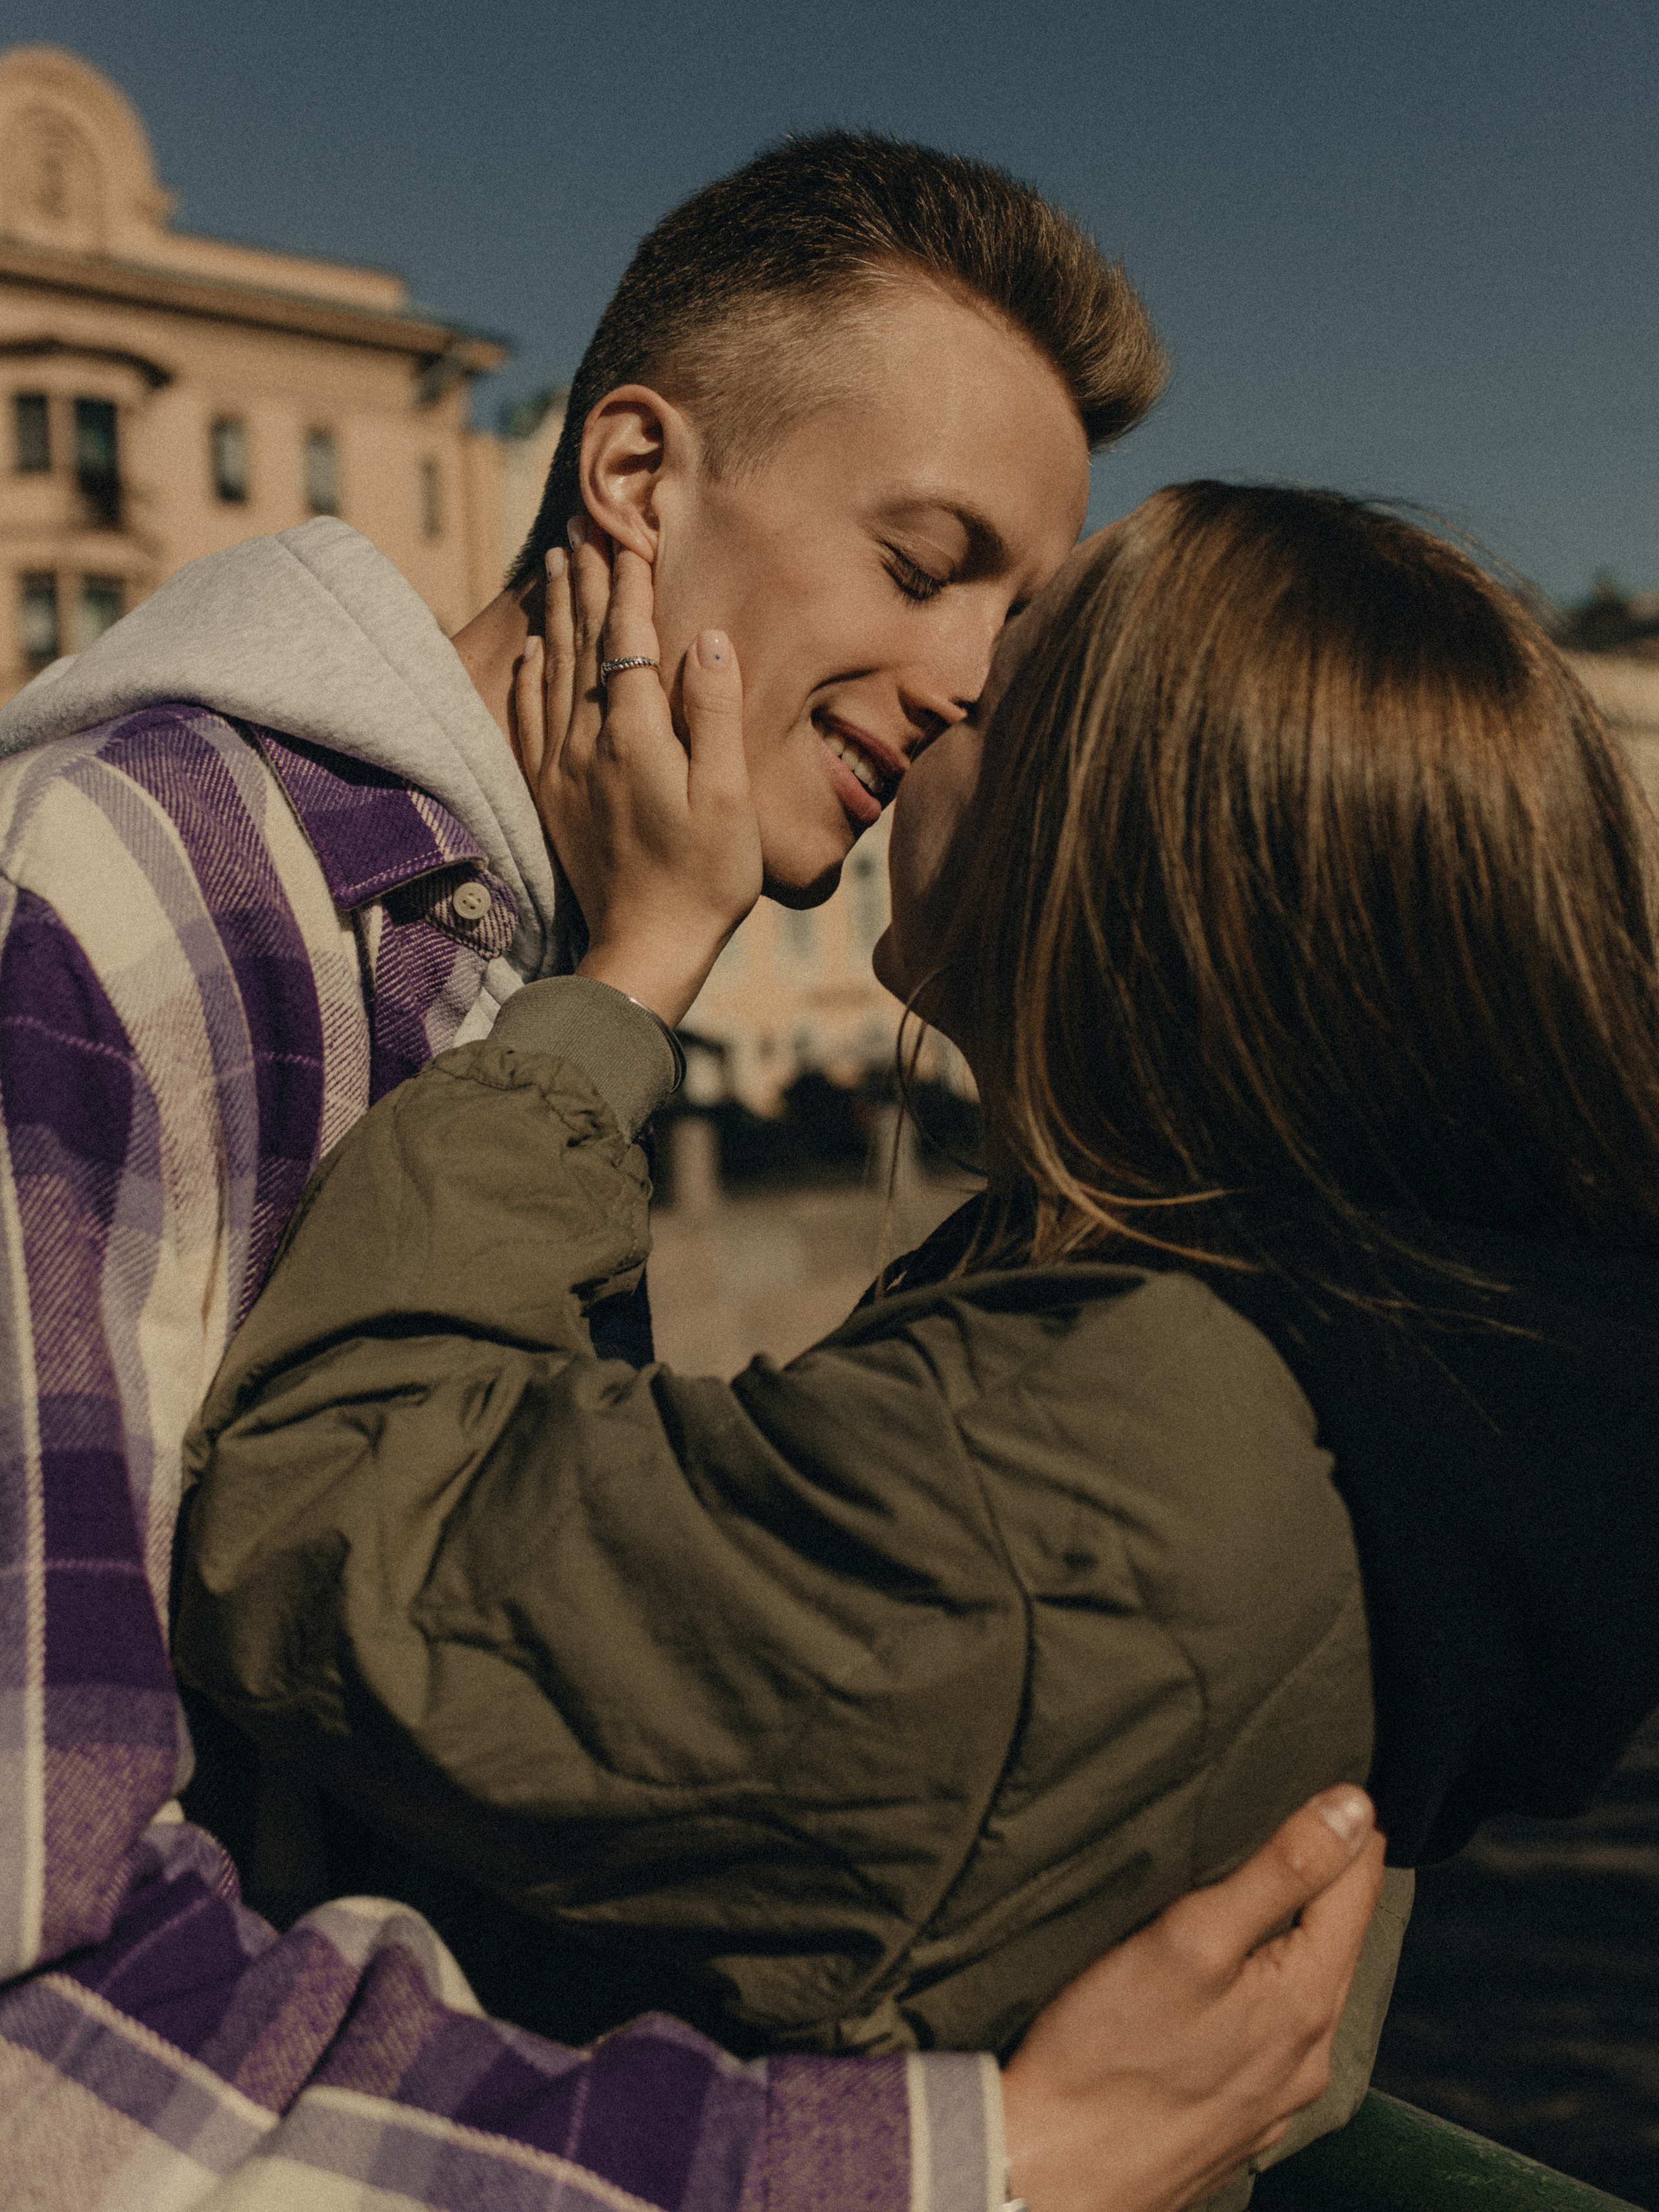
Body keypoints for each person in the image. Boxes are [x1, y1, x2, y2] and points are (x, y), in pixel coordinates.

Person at [0, 132, 1380, 2209]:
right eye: (926, 566)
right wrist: (959, 2163)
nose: (973, 682)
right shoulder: (120, 908)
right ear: (635, 477)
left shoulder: (517, 976)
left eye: (1012, 620)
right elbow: (38, 2011)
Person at [196, 489, 1658, 2187]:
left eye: (1011, 680)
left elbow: (311, 1504)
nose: (943, 691)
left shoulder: (1080, 1467)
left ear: (1130, 843)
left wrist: (634, 968)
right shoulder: (1337, 1379)